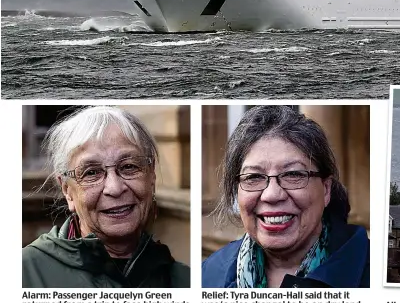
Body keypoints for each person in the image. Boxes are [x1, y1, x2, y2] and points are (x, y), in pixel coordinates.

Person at [202, 105, 369, 288]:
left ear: (326, 189)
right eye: (254, 177)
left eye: (293, 175)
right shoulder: (209, 275)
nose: (272, 195)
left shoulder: (379, 272)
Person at [22, 106, 190, 288]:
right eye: (92, 172)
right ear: (67, 191)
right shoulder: (24, 274)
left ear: (152, 177)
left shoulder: (186, 280)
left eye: (128, 166)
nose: (115, 188)